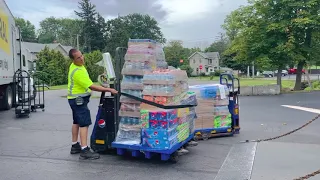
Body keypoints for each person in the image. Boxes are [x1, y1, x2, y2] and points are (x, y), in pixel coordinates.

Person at [67, 48, 118, 160]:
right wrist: (109, 90)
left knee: (76, 121)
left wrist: (103, 86)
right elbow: (91, 86)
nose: (81, 59)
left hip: (74, 99)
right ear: (73, 60)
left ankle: (75, 145)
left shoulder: (76, 66)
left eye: (81, 56)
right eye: (78, 58)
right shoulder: (78, 72)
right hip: (78, 100)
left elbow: (89, 83)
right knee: (84, 123)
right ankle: (84, 150)